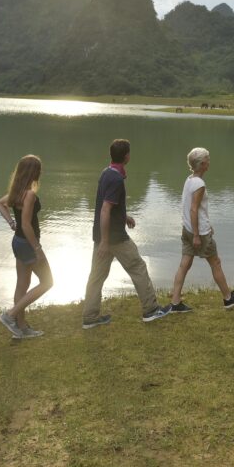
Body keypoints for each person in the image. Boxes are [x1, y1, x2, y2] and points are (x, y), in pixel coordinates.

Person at [82, 139, 169, 327]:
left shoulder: (106, 173)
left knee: (96, 276)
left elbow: (109, 206)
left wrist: (124, 216)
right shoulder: (115, 179)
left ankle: (90, 317)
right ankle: (151, 310)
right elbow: (105, 209)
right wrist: (106, 242)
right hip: (114, 238)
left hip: (101, 235)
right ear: (127, 156)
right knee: (138, 267)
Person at [169, 147, 234, 313]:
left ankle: (175, 302)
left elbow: (192, 208)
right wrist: (197, 234)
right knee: (215, 263)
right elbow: (194, 209)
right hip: (199, 233)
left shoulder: (189, 180)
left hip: (187, 229)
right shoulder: (200, 184)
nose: (209, 162)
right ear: (203, 164)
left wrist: (197, 228)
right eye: (208, 160)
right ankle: (228, 298)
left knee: (184, 265)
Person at [0, 155, 54, 339]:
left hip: (18, 241)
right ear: (34, 172)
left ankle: (20, 329)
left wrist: (12, 222)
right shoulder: (29, 194)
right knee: (47, 282)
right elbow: (27, 225)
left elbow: (0, 203)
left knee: (22, 285)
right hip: (28, 243)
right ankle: (10, 315)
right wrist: (38, 249)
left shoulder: (17, 191)